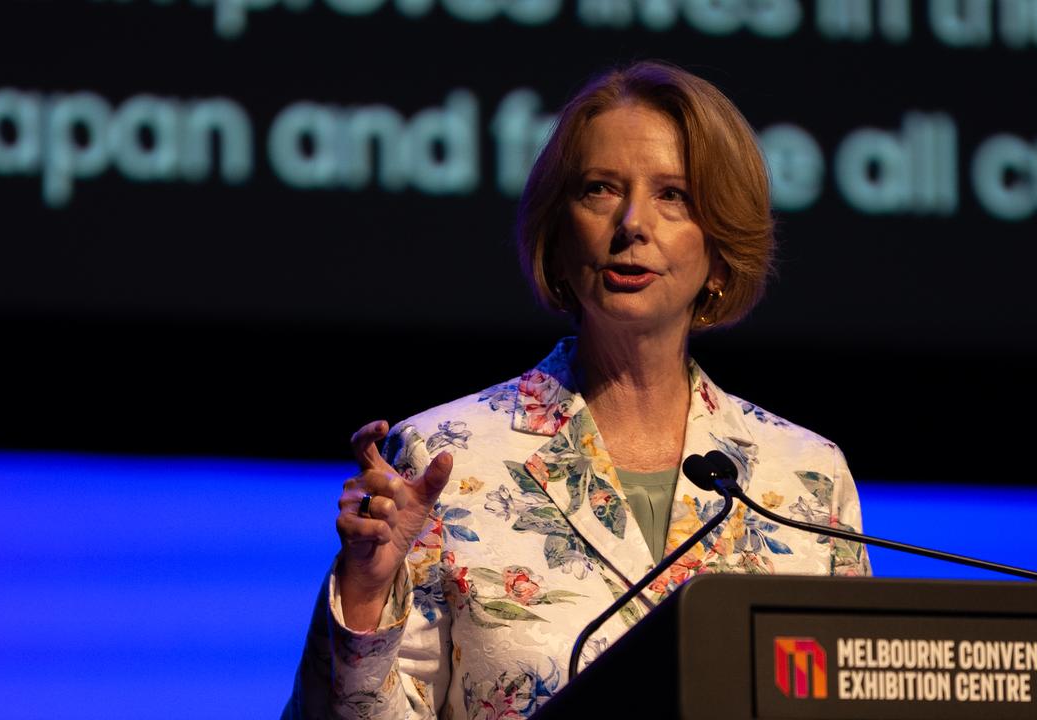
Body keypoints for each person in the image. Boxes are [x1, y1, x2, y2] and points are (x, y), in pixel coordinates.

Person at [285, 61, 871, 720]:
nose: (631, 224)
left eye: (673, 195)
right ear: (559, 237)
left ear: (718, 248)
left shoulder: (806, 481)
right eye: (599, 189)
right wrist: (364, 594)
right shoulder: (442, 459)